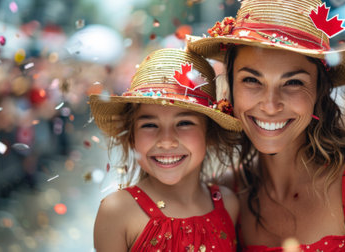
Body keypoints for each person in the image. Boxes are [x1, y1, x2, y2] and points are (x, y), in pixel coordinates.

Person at [187, 0, 345, 251]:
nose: (271, 105)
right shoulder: (227, 195)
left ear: (320, 90)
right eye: (252, 80)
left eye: (293, 82)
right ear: (230, 87)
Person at [90, 48, 242, 251]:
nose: (166, 141)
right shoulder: (117, 212)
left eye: (184, 123)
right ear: (132, 136)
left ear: (210, 132)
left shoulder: (228, 204)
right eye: (150, 125)